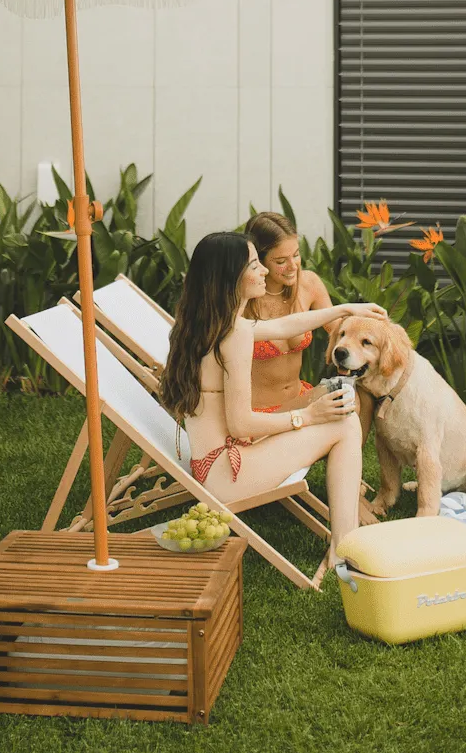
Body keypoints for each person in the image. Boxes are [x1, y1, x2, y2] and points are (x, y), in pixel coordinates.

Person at [159, 231, 386, 578]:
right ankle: (344, 547)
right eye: (254, 265)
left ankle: (344, 540)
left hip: (214, 462)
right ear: (231, 277)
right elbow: (242, 425)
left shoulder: (211, 323)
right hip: (229, 474)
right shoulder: (231, 336)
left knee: (333, 404)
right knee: (343, 421)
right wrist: (306, 416)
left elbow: (283, 325)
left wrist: (345, 308)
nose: (264, 271)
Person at [243, 211, 379, 443]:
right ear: (259, 261)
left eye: (296, 255)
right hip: (261, 415)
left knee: (353, 400)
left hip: (300, 399)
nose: (292, 266)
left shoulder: (308, 284)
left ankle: (350, 473)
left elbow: (338, 331)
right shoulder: (244, 295)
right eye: (280, 261)